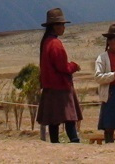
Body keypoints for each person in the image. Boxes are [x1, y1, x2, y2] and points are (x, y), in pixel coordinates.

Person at [36, 8, 83, 143]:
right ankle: (74, 140)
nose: (63, 28)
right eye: (61, 25)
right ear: (54, 27)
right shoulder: (56, 44)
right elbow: (62, 67)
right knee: (69, 117)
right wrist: (74, 66)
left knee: (54, 119)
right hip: (61, 87)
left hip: (50, 87)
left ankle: (55, 142)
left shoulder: (46, 43)